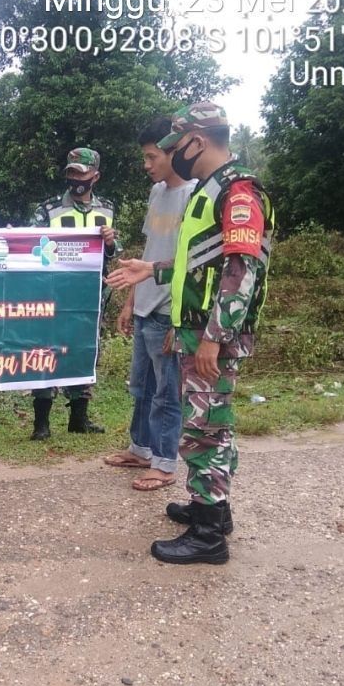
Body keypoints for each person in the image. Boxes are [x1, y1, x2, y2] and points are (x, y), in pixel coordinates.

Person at [106, 102, 274, 565]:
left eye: (175, 145)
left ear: (198, 141)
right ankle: (212, 511)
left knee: (204, 431)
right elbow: (199, 263)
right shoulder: (210, 190)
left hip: (211, 335)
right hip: (197, 330)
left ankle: (208, 537)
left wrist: (214, 338)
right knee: (209, 425)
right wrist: (152, 269)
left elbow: (241, 271)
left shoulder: (239, 193)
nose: (172, 154)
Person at [104, 117, 192, 492]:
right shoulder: (158, 193)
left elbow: (194, 263)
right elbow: (148, 254)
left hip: (170, 311)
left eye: (151, 156)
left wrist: (179, 316)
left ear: (173, 151)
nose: (147, 164)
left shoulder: (194, 195)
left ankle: (165, 462)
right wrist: (129, 303)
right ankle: (140, 449)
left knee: (166, 393)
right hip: (145, 309)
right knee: (141, 388)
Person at [29, 147, 119, 440]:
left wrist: (109, 242)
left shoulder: (106, 209)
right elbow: (31, 248)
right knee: (46, 351)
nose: (76, 178)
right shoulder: (48, 209)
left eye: (81, 173)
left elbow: (110, 256)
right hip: (53, 294)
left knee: (86, 351)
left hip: (91, 296)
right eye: (71, 172)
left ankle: (79, 418)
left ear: (96, 176)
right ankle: (41, 423)